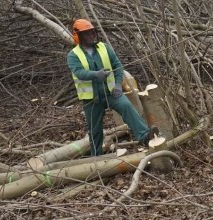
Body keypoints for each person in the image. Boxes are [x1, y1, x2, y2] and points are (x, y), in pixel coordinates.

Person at [67, 19, 157, 156]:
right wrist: (95, 74)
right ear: (79, 36)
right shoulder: (73, 55)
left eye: (92, 32)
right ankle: (96, 156)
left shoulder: (104, 47)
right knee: (94, 129)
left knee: (127, 107)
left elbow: (118, 67)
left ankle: (145, 136)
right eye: (87, 33)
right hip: (92, 98)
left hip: (111, 92)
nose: (91, 35)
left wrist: (117, 86)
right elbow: (79, 72)